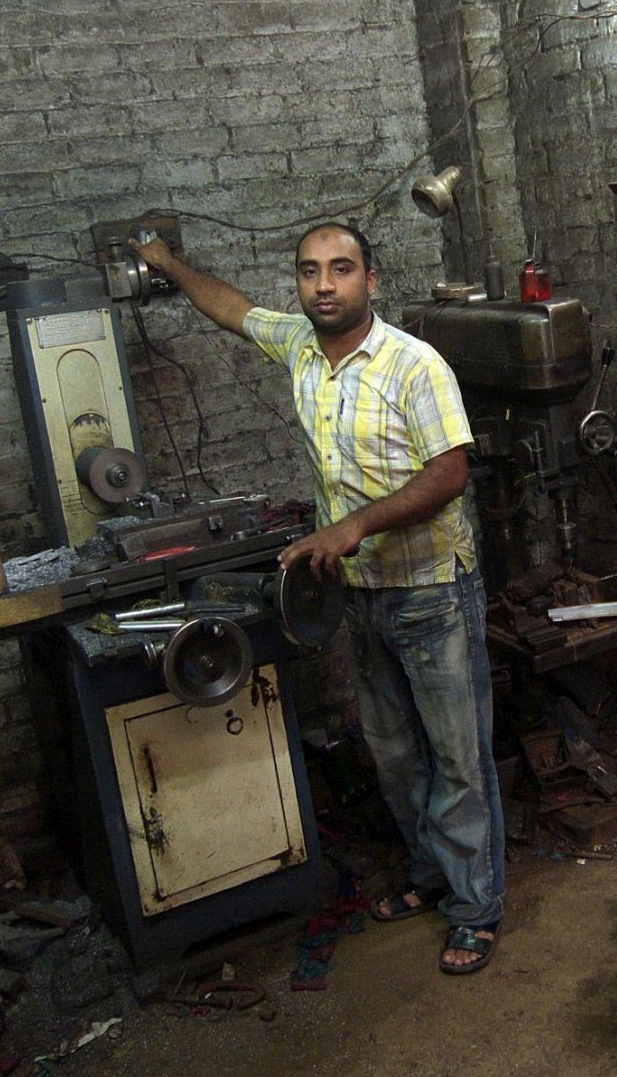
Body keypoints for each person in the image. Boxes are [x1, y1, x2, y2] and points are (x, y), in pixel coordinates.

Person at [129, 223, 505, 974]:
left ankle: (476, 910)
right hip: (359, 595)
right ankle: (432, 879)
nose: (324, 285)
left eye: (340, 270)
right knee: (397, 757)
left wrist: (353, 526)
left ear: (371, 280)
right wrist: (167, 263)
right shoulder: (301, 345)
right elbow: (231, 310)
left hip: (431, 590)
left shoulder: (413, 365)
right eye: (309, 273)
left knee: (458, 759)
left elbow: (450, 475)